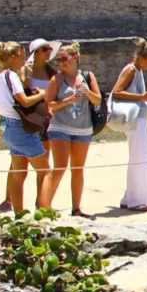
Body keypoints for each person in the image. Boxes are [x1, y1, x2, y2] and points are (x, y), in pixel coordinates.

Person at [0, 42, 52, 212]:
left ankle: (19, 215)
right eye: (22, 56)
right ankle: (45, 212)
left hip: (9, 128)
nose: (24, 60)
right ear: (12, 58)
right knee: (45, 171)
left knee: (18, 175)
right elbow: (23, 101)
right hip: (21, 128)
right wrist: (41, 94)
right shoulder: (11, 76)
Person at [42, 43, 101, 218]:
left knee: (78, 169)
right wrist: (68, 100)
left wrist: (86, 91)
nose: (61, 63)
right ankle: (44, 210)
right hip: (60, 126)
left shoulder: (88, 76)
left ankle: (76, 208)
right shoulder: (57, 79)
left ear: (75, 58)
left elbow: (97, 100)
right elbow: (49, 104)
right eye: (59, 60)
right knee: (59, 167)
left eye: (64, 59)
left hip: (82, 127)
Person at [111, 38, 147, 212]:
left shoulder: (137, 70)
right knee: (140, 159)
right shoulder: (131, 69)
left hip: (140, 119)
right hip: (135, 121)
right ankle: (137, 199)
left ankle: (130, 197)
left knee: (142, 158)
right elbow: (116, 92)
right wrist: (142, 97)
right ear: (142, 57)